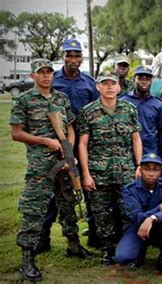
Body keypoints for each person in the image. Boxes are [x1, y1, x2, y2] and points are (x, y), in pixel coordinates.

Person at [11, 59, 93, 282]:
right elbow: (16, 133)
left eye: (49, 72)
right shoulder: (24, 100)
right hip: (40, 163)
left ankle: (73, 245)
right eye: (41, 72)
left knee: (68, 203)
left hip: (64, 160)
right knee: (34, 207)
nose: (46, 76)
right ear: (33, 76)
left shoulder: (61, 98)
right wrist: (45, 141)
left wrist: (68, 149)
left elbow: (69, 127)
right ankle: (28, 256)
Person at [77, 71, 143, 265]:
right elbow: (82, 144)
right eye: (104, 84)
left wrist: (139, 166)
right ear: (98, 87)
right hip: (99, 174)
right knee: (102, 215)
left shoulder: (129, 109)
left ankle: (128, 249)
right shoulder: (88, 111)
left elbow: (136, 139)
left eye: (112, 84)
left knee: (128, 212)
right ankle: (107, 251)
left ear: (119, 87)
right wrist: (86, 174)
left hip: (125, 172)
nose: (109, 87)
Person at [52, 38, 100, 249]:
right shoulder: (53, 80)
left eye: (77, 55)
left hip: (84, 141)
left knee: (90, 187)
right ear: (62, 56)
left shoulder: (89, 82)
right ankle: (44, 237)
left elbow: (96, 108)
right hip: (56, 142)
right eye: (69, 55)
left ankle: (94, 233)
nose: (73, 59)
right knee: (56, 187)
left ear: (81, 58)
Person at [115, 153, 162, 276]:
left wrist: (153, 218)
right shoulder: (129, 190)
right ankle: (142, 247)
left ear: (160, 171)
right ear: (140, 170)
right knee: (123, 258)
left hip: (160, 224)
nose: (151, 173)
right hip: (137, 228)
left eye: (155, 170)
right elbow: (137, 217)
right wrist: (161, 207)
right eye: (147, 169)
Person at [121, 66, 162, 160]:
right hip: (126, 153)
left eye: (148, 79)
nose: (144, 81)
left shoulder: (158, 105)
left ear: (151, 81)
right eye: (140, 78)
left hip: (150, 153)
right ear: (134, 79)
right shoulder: (123, 102)